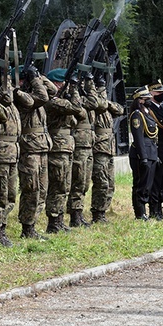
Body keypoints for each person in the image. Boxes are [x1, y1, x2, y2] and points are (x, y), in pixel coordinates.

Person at [14, 65, 55, 239]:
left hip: (41, 147)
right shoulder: (20, 96)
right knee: (31, 188)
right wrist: (34, 80)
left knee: (42, 189)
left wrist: (39, 76)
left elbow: (51, 90)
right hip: (29, 149)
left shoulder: (34, 91)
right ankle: (27, 227)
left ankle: (33, 225)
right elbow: (42, 96)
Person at [44, 68, 84, 233]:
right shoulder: (52, 101)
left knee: (65, 185)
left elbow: (78, 115)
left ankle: (59, 220)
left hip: (66, 147)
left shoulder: (62, 101)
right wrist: (73, 91)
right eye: (63, 83)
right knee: (58, 184)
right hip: (57, 147)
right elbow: (76, 108)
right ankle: (53, 221)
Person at [0, 70, 20, 245]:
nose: (10, 87)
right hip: (1, 154)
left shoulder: (14, 103)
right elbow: (5, 99)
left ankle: (3, 227)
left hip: (13, 154)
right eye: (6, 83)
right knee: (0, 195)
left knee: (10, 195)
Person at [89, 74, 125, 223]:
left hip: (108, 148)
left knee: (110, 183)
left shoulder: (107, 107)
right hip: (99, 148)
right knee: (101, 182)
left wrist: (107, 102)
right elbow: (99, 104)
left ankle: (103, 210)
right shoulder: (94, 107)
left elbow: (120, 109)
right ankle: (97, 213)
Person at [67, 74, 100, 227]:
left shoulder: (84, 98)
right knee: (78, 181)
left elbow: (95, 101)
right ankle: (74, 215)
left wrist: (90, 83)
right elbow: (89, 104)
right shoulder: (73, 99)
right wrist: (75, 89)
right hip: (79, 144)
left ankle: (79, 213)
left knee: (85, 182)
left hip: (88, 144)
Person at [128, 86, 158, 220]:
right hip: (142, 154)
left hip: (151, 151)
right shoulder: (137, 115)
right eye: (146, 98)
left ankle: (144, 211)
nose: (149, 100)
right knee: (141, 183)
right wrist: (143, 157)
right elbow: (138, 137)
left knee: (148, 184)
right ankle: (140, 213)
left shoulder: (147, 113)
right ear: (140, 100)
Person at [147, 81, 163, 220]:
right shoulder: (150, 109)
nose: (162, 94)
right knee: (156, 182)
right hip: (158, 148)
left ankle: (161, 210)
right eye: (159, 92)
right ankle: (154, 210)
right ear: (151, 94)